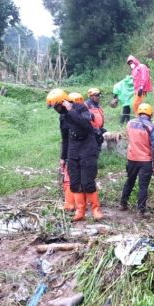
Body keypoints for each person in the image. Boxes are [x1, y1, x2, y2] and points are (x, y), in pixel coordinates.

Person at [46, 88, 103, 221]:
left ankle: (96, 209)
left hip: (87, 147)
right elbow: (65, 138)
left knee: (87, 181)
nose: (56, 110)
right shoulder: (62, 117)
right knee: (75, 181)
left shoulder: (81, 108)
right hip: (73, 149)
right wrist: (62, 157)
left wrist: (71, 110)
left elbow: (85, 125)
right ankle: (80, 211)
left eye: (57, 106)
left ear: (63, 102)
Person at [119, 103, 154, 214]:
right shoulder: (152, 127)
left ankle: (123, 203)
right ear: (150, 114)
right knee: (143, 186)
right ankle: (141, 210)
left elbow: (129, 138)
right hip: (145, 160)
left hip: (131, 158)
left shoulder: (130, 123)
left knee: (129, 181)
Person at [127, 55, 153, 120]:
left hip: (141, 89)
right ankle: (142, 116)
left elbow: (144, 76)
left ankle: (139, 118)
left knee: (135, 104)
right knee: (137, 104)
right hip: (137, 90)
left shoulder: (141, 66)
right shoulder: (133, 70)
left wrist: (141, 87)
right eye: (129, 63)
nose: (131, 64)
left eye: (131, 62)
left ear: (134, 61)